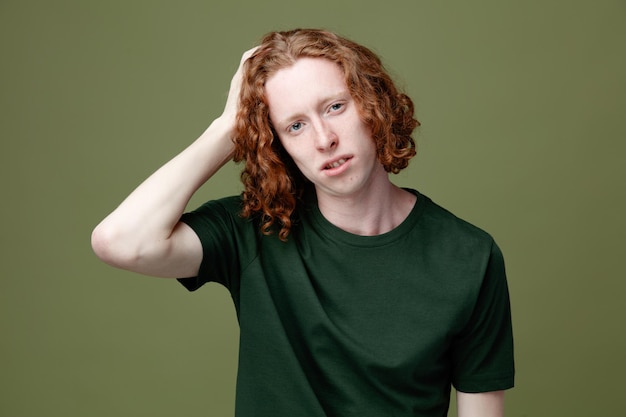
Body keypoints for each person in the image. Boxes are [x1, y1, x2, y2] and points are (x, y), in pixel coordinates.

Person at [92, 28, 514, 417]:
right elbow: (120, 241)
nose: (323, 139)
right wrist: (227, 128)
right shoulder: (254, 231)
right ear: (278, 145)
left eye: (335, 107)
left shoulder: (468, 256)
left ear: (374, 105)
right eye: (295, 126)